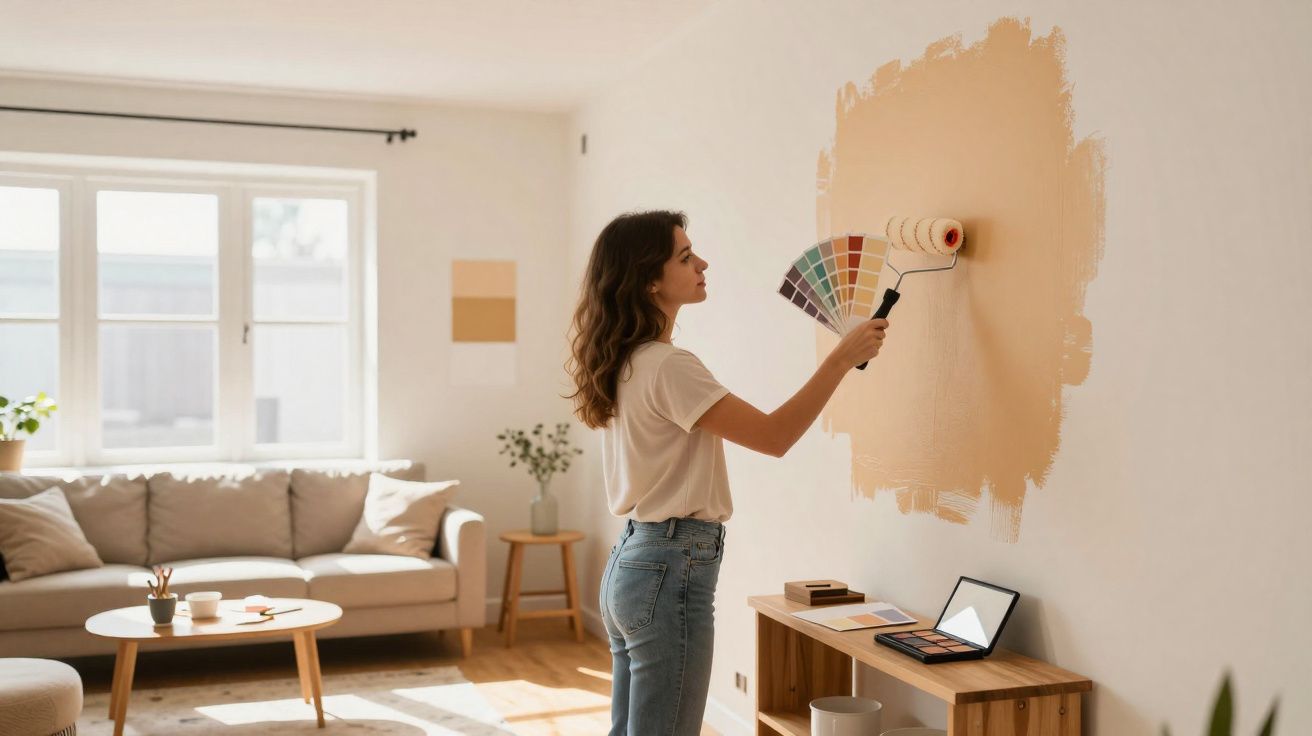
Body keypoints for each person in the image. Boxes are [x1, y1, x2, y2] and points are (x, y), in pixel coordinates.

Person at [565, 210, 888, 735]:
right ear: (649, 280)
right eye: (686, 256)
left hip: (632, 561)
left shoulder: (625, 359)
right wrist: (839, 361)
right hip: (669, 564)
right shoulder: (668, 366)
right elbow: (774, 437)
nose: (703, 263)